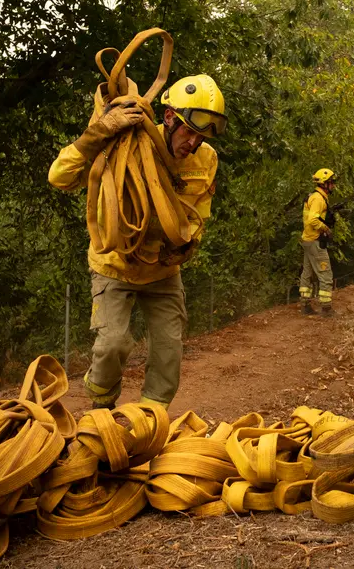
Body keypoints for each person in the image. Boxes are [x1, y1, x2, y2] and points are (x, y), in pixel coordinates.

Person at [48, 74, 226, 409]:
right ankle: (101, 407)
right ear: (170, 117)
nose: (193, 143)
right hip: (115, 264)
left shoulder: (207, 160)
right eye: (189, 131)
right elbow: (59, 178)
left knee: (169, 349)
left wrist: (187, 245)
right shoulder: (124, 142)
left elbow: (199, 213)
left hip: (162, 271)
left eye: (201, 137)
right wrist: (97, 134)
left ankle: (150, 419)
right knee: (113, 344)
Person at [299, 168, 336, 316]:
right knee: (325, 273)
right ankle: (326, 308)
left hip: (307, 239)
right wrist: (326, 228)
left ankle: (305, 305)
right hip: (314, 241)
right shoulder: (319, 199)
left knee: (307, 273)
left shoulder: (314, 196)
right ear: (324, 184)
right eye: (331, 183)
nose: (333, 185)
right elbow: (313, 219)